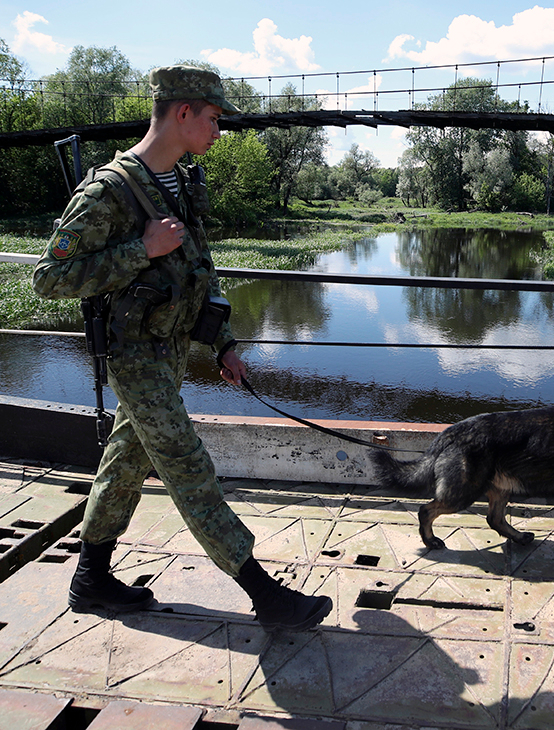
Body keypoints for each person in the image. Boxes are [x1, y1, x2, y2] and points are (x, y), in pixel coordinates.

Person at [33, 65, 332, 632]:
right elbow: (50, 278)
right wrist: (139, 250)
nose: (220, 131)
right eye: (215, 118)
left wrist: (221, 343)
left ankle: (90, 577)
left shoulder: (179, 180)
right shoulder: (109, 190)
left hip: (169, 352)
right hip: (133, 355)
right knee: (186, 463)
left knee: (125, 461)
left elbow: (199, 269)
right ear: (184, 112)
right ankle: (265, 594)